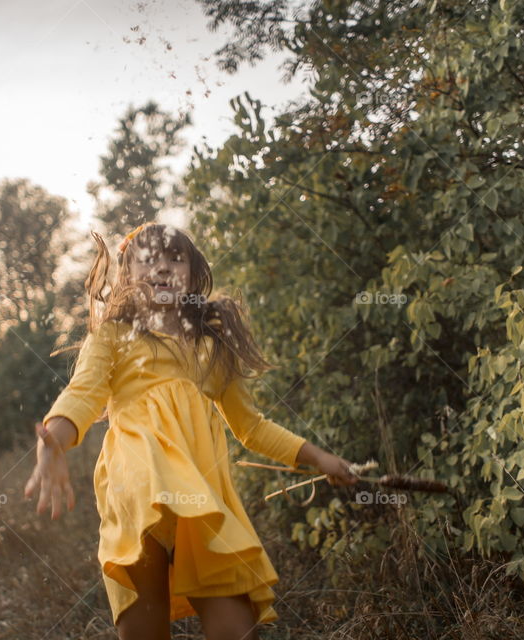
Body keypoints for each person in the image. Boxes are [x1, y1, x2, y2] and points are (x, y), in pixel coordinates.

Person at [24, 222, 358, 640]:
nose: (162, 267)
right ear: (127, 276)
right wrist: (55, 441)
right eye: (148, 259)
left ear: (193, 271)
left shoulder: (211, 346)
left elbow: (251, 427)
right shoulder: (113, 336)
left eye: (174, 258)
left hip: (203, 502)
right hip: (138, 492)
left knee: (237, 629)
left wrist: (321, 458)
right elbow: (82, 394)